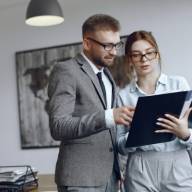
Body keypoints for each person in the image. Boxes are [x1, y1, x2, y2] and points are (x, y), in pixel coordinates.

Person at [48, 14, 134, 192]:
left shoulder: (107, 75)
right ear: (87, 43)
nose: (114, 52)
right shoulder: (66, 71)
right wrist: (109, 116)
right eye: (107, 45)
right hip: (80, 179)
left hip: (111, 178)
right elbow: (58, 126)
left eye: (117, 44)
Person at [117, 30, 192, 192]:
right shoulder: (123, 96)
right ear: (130, 59)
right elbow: (119, 145)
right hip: (139, 167)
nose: (144, 59)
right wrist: (135, 136)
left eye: (149, 53)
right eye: (136, 55)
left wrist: (185, 133)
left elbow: (189, 131)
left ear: (157, 55)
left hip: (177, 163)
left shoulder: (179, 84)